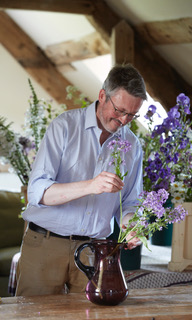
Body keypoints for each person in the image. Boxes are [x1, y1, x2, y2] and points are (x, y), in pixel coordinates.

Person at [16, 64, 147, 296]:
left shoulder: (133, 146)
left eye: (132, 114)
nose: (124, 120)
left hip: (96, 251)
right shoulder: (64, 126)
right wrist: (91, 185)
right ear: (102, 96)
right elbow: (37, 192)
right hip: (46, 244)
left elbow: (130, 202)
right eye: (119, 110)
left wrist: (131, 226)